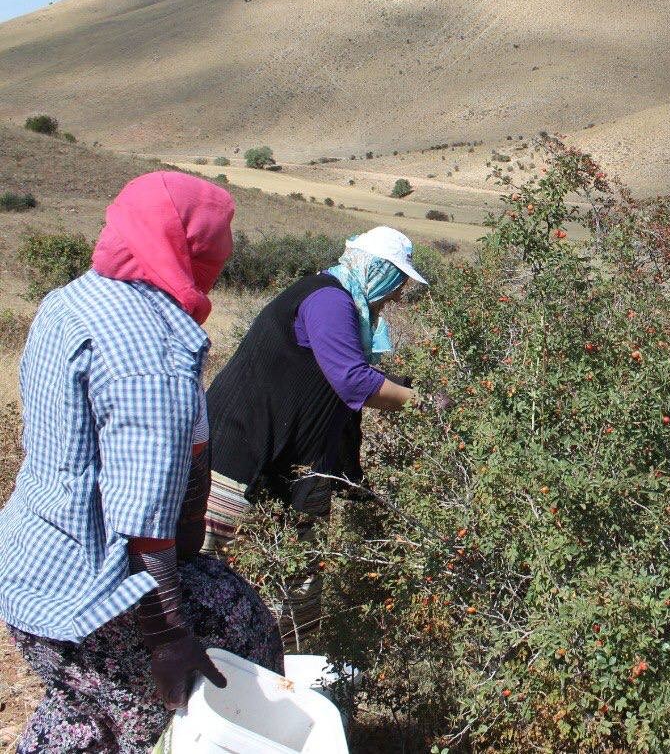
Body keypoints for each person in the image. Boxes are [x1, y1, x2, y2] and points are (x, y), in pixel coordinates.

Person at [0, 172, 284, 753]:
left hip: (30, 568)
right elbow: (147, 529)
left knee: (86, 714)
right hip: (91, 592)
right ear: (196, 248)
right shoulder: (154, 356)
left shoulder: (72, 300)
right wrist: (168, 637)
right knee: (234, 642)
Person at [203, 226, 428, 648]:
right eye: (396, 281)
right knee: (210, 577)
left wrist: (352, 477)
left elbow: (339, 404)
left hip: (294, 471)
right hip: (240, 454)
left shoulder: (347, 309)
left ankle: (284, 674)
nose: (397, 296)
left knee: (297, 590)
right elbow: (353, 381)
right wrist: (426, 403)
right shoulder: (328, 299)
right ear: (375, 271)